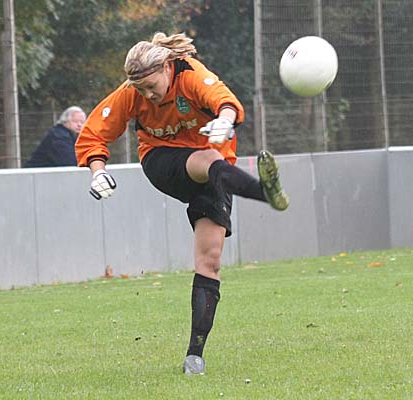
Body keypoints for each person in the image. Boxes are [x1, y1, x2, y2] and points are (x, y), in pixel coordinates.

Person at [75, 32, 289, 375]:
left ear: (166, 68)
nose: (147, 95)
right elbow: (93, 133)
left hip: (216, 173)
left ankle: (194, 357)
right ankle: (266, 193)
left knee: (210, 261)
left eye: (151, 86)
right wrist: (97, 171)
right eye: (141, 89)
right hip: (163, 162)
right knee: (208, 159)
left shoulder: (190, 75)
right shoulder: (132, 92)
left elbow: (224, 100)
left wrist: (224, 120)